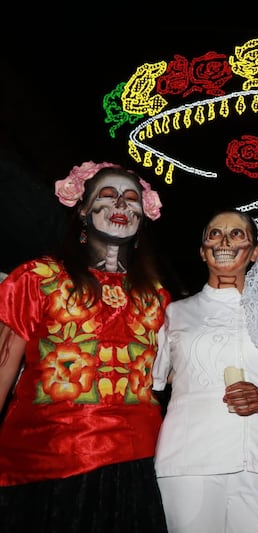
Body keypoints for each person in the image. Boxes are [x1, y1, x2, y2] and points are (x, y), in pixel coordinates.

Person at [0, 161, 171, 532]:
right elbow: (2, 369)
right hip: (46, 465)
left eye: (131, 200)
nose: (121, 207)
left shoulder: (157, 298)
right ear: (82, 208)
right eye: (107, 196)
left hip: (134, 468)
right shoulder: (37, 279)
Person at [152, 208, 258, 532]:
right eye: (215, 233)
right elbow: (153, 384)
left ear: (255, 252)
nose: (224, 241)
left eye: (237, 233)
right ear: (202, 251)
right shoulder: (174, 312)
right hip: (187, 460)